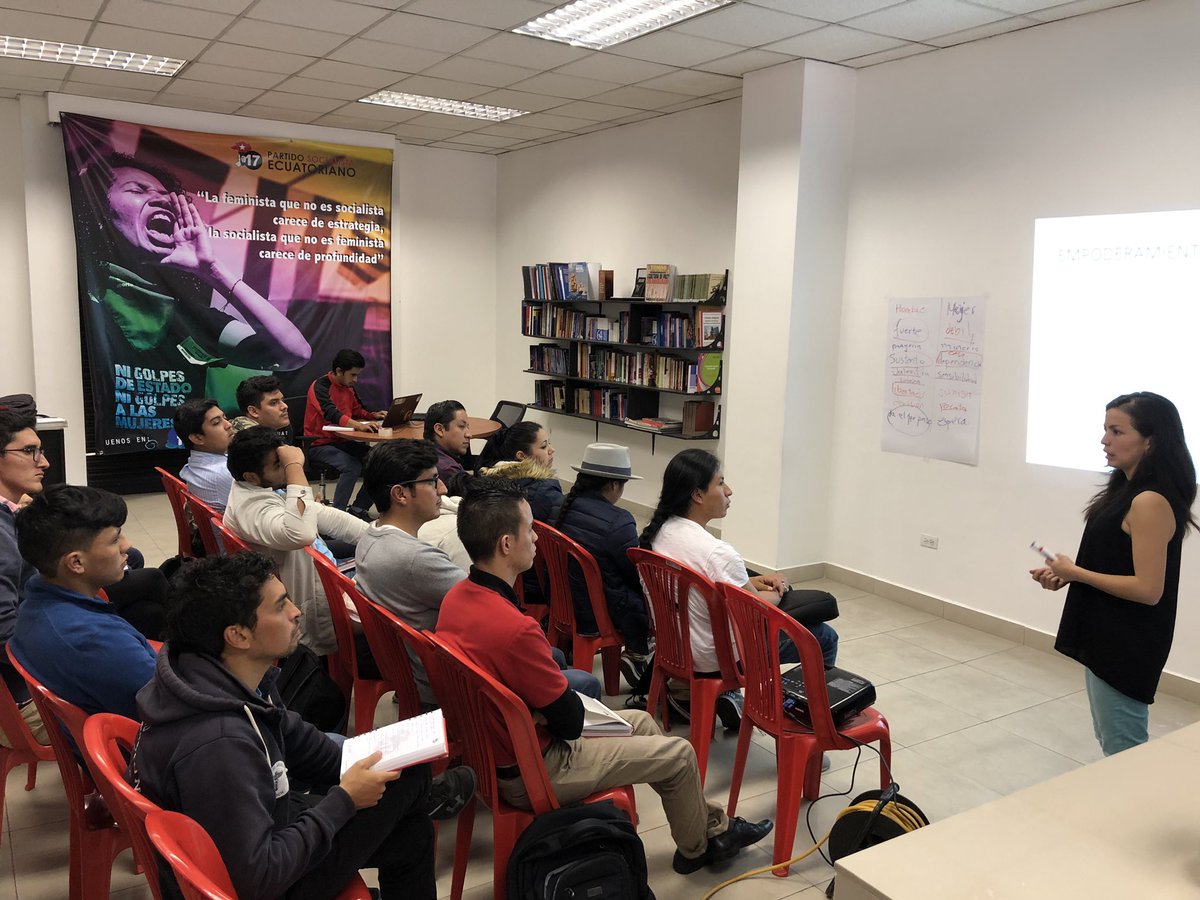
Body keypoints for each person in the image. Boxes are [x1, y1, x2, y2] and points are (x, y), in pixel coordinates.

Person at [436, 479, 771, 875]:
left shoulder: (457, 599)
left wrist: (540, 711)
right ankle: (698, 850)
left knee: (644, 721)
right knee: (679, 755)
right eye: (530, 529)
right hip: (535, 768)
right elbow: (570, 723)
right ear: (506, 544)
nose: (537, 538)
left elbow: (545, 706)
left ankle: (712, 827)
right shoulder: (514, 629)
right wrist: (548, 712)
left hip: (496, 755)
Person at [131, 552, 436, 900]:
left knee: (411, 820)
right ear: (238, 635)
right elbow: (258, 880)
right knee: (412, 780)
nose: (296, 611)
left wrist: (372, 753)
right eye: (280, 606)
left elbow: (295, 738)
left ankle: (421, 795)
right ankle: (428, 795)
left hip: (265, 825)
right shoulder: (220, 744)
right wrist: (345, 800)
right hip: (256, 880)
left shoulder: (226, 676)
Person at [73, 153, 311, 443]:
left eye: (165, 194)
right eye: (137, 190)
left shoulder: (184, 315)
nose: (161, 199)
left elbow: (294, 353)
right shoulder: (83, 304)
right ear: (98, 213)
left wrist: (211, 270)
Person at [356, 441, 600, 705]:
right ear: (400, 494)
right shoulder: (415, 559)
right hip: (452, 683)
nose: (443, 488)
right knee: (580, 678)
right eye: (432, 480)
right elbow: (492, 608)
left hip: (422, 667)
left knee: (555, 658)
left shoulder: (370, 538)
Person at [1031, 391, 1197, 756]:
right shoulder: (1124, 488)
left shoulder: (1149, 500)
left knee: (1125, 750)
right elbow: (1118, 562)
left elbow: (1149, 589)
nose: (1105, 440)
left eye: (1117, 431)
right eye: (1105, 430)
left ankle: (1143, 811)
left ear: (1151, 440)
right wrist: (1070, 575)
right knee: (1113, 740)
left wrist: (1078, 573)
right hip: (1105, 628)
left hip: (1128, 639)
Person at [641, 449, 839, 729]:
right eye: (721, 483)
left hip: (675, 648)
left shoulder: (660, 533)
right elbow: (757, 611)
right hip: (715, 658)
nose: (729, 491)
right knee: (824, 637)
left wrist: (752, 582)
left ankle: (704, 697)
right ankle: (804, 728)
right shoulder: (716, 552)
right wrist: (778, 589)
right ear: (697, 495)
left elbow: (712, 587)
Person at [9, 483, 157, 722]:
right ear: (76, 562)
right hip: (150, 749)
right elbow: (174, 706)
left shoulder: (37, 603)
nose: (126, 547)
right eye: (114, 539)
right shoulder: (93, 639)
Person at [223, 427, 368, 657]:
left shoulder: (259, 489)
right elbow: (302, 533)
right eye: (278, 465)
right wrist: (295, 467)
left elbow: (322, 514)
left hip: (325, 579)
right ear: (251, 476)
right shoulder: (252, 509)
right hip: (321, 601)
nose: (286, 470)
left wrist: (373, 535)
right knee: (408, 604)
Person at [554, 443, 652, 691]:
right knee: (650, 599)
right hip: (598, 612)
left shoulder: (559, 507)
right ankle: (638, 653)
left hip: (561, 604)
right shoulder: (619, 521)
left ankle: (636, 652)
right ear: (613, 485)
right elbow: (635, 573)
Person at [304, 349, 385, 516]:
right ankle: (337, 516)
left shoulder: (348, 387)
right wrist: (357, 425)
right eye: (353, 375)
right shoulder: (320, 386)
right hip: (319, 444)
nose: (356, 380)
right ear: (339, 371)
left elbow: (357, 410)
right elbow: (330, 413)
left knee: (381, 461)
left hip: (343, 442)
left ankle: (358, 508)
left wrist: (373, 415)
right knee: (351, 467)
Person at [477, 421, 564, 523]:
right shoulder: (546, 491)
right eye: (544, 446)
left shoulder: (489, 480)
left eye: (549, 443)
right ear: (522, 456)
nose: (552, 450)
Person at [174, 397, 234, 511]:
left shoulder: (194, 462)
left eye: (225, 418)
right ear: (197, 438)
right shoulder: (225, 472)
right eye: (216, 422)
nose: (228, 425)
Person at [424, 400, 474, 496]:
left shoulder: (427, 452)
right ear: (439, 429)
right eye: (461, 426)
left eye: (468, 427)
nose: (469, 434)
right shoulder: (448, 470)